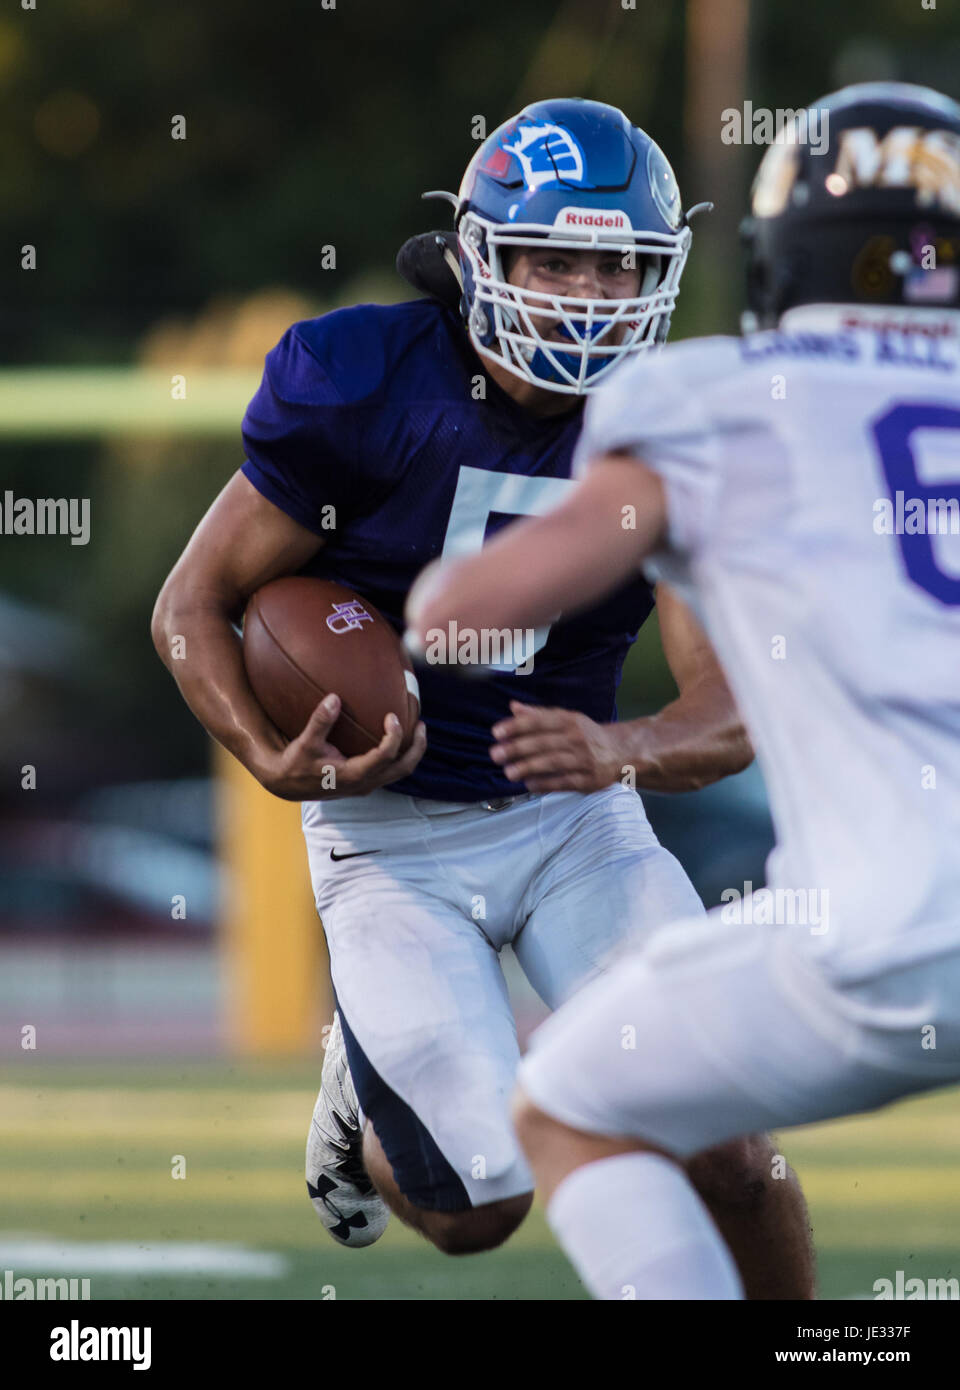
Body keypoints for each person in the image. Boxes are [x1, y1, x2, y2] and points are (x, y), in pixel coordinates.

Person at [152, 97, 812, 1291]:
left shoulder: (672, 429)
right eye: (551, 258)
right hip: (385, 836)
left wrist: (614, 748)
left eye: (617, 265)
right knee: (476, 1212)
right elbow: (189, 606)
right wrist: (263, 749)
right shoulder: (362, 383)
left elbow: (732, 712)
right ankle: (365, 1087)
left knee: (728, 1142)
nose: (583, 292)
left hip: (577, 824)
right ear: (476, 257)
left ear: (658, 277)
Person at [406, 81, 960, 1298]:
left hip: (891, 929)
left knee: (565, 1102)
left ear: (778, 258)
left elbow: (464, 612)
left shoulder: (714, 399)